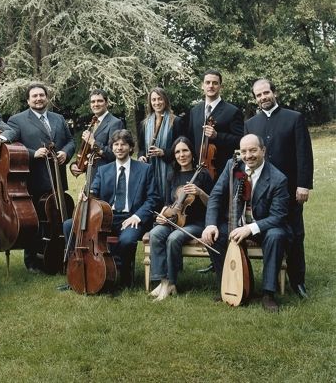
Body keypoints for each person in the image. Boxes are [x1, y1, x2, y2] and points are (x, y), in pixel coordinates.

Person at [202, 134, 290, 312]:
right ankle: (227, 284)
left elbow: (278, 216)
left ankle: (268, 294)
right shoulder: (233, 166)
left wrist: (249, 229)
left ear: (263, 151)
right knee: (215, 236)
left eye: (253, 150)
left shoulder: (278, 179)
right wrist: (210, 224)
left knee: (276, 236)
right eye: (244, 151)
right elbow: (216, 196)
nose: (248, 155)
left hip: (264, 226)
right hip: (236, 221)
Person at [244, 78, 313, 299]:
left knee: (296, 234)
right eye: (258, 95)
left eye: (266, 93)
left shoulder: (294, 118)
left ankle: (297, 280)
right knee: (271, 230)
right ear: (255, 99)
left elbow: (304, 154)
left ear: (274, 92)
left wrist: (303, 185)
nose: (263, 97)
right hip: (261, 191)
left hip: (291, 189)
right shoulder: (251, 124)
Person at [6, 83, 76, 272]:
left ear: (47, 98)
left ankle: (60, 255)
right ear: (28, 100)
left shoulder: (58, 118)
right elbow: (11, 144)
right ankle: (32, 260)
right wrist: (32, 153)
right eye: (34, 96)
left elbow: (71, 141)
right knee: (35, 221)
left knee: (59, 217)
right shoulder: (17, 120)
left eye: (41, 95)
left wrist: (65, 153)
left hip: (57, 178)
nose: (38, 99)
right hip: (33, 179)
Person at [89, 129, 160, 288]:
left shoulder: (144, 169)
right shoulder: (103, 170)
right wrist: (87, 195)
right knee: (68, 225)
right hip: (106, 217)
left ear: (131, 148)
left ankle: (123, 275)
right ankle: (84, 269)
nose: (119, 148)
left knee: (127, 240)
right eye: (116, 144)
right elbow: (94, 193)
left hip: (131, 217)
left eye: (123, 144)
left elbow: (153, 198)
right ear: (112, 147)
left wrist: (138, 216)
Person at [148, 136, 213, 300]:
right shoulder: (172, 175)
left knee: (173, 238)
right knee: (155, 233)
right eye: (177, 152)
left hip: (197, 222)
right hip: (175, 219)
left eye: (185, 150)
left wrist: (200, 192)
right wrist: (163, 215)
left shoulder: (203, 175)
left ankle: (171, 282)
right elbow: (169, 203)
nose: (181, 155)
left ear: (192, 152)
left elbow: (213, 202)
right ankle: (161, 280)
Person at [185, 70, 243, 182]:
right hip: (198, 171)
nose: (211, 86)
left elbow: (240, 140)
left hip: (222, 172)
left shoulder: (232, 111)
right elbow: (190, 140)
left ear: (221, 86)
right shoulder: (194, 111)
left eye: (215, 83)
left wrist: (218, 136)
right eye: (207, 82)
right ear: (202, 86)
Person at [138, 87, 181, 200]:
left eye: (160, 99)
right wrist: (141, 156)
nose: (157, 102)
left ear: (165, 100)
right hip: (150, 168)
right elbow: (142, 147)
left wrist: (163, 152)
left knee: (167, 198)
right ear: (150, 102)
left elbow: (181, 148)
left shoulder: (175, 121)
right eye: (154, 100)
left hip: (169, 169)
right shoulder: (144, 124)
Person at [70, 89, 123, 180]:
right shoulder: (93, 123)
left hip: (108, 177)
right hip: (91, 177)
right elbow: (85, 152)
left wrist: (93, 142)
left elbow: (114, 153)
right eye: (93, 101)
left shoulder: (115, 123)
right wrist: (75, 165)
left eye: (100, 101)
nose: (96, 104)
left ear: (106, 103)